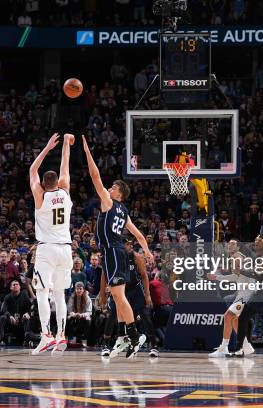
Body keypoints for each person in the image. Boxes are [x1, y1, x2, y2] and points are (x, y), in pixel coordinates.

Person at [83, 135, 154, 359]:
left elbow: (95, 176)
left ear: (118, 193)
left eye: (113, 187)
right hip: (119, 253)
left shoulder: (109, 202)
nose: (109, 188)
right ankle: (124, 336)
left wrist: (87, 151)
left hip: (112, 252)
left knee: (119, 297)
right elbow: (139, 235)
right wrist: (148, 251)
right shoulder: (124, 212)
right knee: (117, 297)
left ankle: (134, 336)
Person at [29, 133, 74, 355]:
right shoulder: (65, 191)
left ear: (43, 184)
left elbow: (31, 171)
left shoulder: (40, 196)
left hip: (47, 248)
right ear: (56, 182)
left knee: (41, 291)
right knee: (59, 294)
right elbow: (65, 166)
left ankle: (46, 335)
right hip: (66, 248)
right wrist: (66, 143)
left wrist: (47, 148)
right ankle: (61, 335)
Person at [103, 239, 158, 357]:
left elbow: (144, 276)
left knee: (144, 314)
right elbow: (104, 275)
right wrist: (102, 294)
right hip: (119, 287)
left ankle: (153, 345)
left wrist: (147, 295)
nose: (130, 245)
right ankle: (106, 345)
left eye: (131, 243)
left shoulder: (136, 257)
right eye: (127, 243)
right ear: (120, 245)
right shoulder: (114, 256)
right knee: (112, 314)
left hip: (134, 288)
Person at [209, 241, 255, 357]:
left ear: (238, 247)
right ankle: (246, 345)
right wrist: (217, 277)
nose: (229, 245)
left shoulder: (237, 257)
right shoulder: (236, 258)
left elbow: (243, 273)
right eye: (228, 244)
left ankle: (224, 347)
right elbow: (236, 276)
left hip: (247, 292)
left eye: (233, 244)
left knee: (228, 315)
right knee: (234, 318)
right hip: (244, 292)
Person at [0, 279, 32, 345]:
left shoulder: (24, 295)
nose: (15, 286)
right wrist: (10, 316)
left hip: (22, 319)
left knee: (28, 318)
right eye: (14, 285)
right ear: (11, 287)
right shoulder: (7, 297)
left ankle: (27, 340)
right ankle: (2, 340)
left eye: (17, 284)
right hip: (12, 321)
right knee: (2, 318)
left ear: (20, 287)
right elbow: (4, 310)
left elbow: (30, 307)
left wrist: (27, 313)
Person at [66, 282, 92, 347]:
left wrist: (82, 315)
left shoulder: (87, 298)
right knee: (69, 318)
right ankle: (72, 338)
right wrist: (75, 314)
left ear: (83, 290)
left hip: (83, 315)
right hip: (74, 315)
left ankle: (84, 340)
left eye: (80, 289)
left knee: (88, 320)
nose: (79, 290)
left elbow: (89, 311)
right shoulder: (72, 297)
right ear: (75, 290)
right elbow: (69, 310)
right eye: (77, 289)